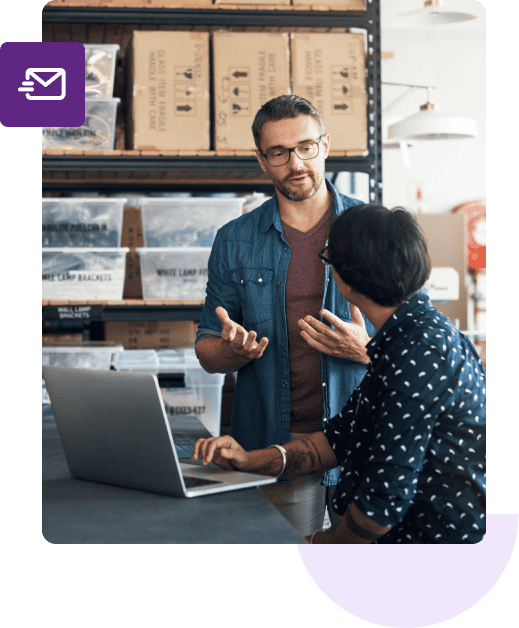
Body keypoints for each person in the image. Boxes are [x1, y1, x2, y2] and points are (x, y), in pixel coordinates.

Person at [192, 204, 486, 544]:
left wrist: (319, 545)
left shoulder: (418, 353)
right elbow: (339, 437)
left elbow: (383, 501)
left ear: (346, 278)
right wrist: (248, 459)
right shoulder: (406, 337)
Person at [195, 95, 376, 538]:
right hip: (276, 447)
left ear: (326, 145)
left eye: (306, 147)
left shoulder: (375, 228)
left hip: (367, 441)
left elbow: (425, 343)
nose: (295, 163)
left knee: (376, 579)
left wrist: (366, 349)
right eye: (279, 152)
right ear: (262, 160)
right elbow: (205, 349)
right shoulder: (234, 240)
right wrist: (232, 352)